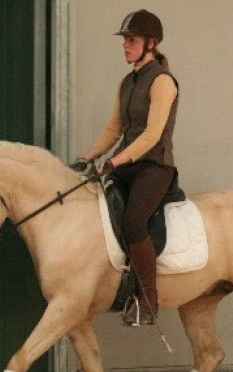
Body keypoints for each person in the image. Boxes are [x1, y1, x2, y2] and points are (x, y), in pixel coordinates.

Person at [81, 9, 179, 326]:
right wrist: (90, 156)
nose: (125, 46)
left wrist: (116, 160)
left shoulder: (162, 82)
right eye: (124, 40)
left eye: (131, 40)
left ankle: (148, 301)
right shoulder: (127, 82)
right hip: (126, 163)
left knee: (134, 221)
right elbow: (114, 128)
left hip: (154, 166)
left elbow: (152, 135)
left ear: (151, 43)